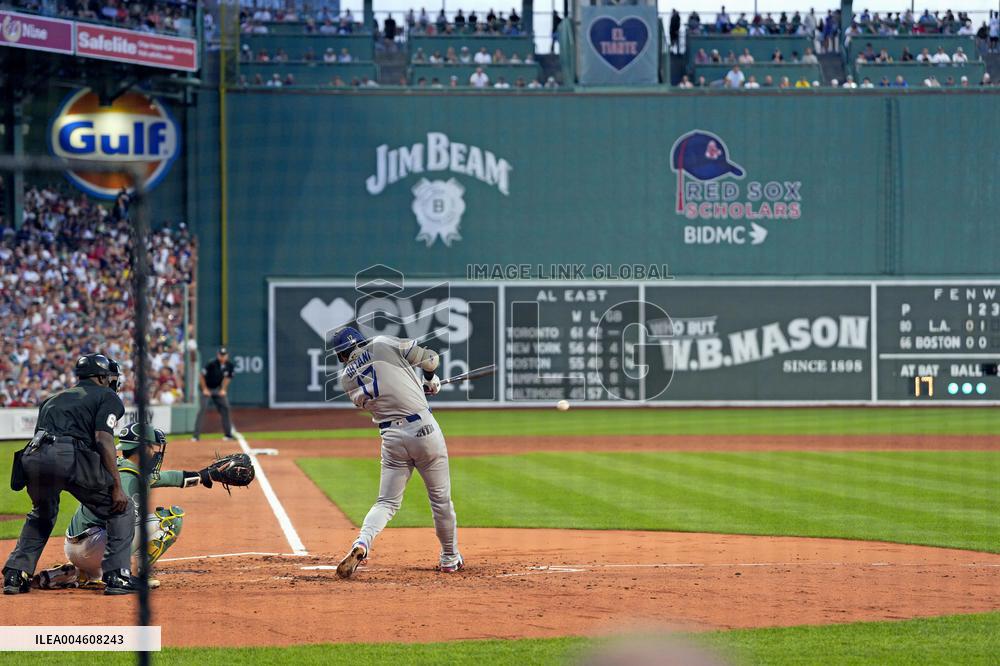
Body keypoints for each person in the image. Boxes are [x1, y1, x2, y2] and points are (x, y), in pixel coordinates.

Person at [34, 423, 254, 590]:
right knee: (170, 520)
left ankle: (79, 573)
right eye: (151, 447)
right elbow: (121, 525)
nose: (155, 453)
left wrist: (206, 475)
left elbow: (169, 477)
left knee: (126, 527)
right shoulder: (128, 478)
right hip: (94, 545)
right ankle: (130, 574)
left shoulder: (120, 467)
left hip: (75, 544)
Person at [332, 327, 462, 578]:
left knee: (386, 502)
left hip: (391, 438)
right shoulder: (381, 343)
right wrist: (429, 379)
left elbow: (387, 393)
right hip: (423, 431)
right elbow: (430, 359)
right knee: (440, 500)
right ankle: (449, 558)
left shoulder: (346, 380)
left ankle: (362, 542)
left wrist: (418, 387)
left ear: (341, 356)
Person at [3, 354, 135, 595]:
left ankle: (15, 574)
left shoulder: (51, 399)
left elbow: (39, 436)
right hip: (68, 455)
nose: (113, 381)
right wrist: (116, 486)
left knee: (42, 513)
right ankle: (117, 576)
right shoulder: (107, 396)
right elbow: (103, 439)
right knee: (122, 508)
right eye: (111, 377)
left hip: (33, 456)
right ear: (102, 378)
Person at [192, 348, 235, 442]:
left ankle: (228, 435)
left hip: (217, 389)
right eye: (221, 355)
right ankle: (195, 436)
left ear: (227, 356)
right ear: (218, 355)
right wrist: (204, 389)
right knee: (202, 409)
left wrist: (223, 389)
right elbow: (201, 376)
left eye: (224, 355)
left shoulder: (229, 365)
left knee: (225, 408)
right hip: (206, 388)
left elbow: (228, 378)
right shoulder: (211, 363)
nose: (222, 357)